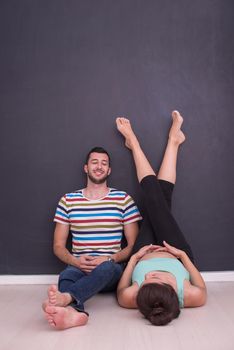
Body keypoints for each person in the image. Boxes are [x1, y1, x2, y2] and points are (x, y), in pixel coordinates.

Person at [116, 111, 207, 326]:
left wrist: (136, 257)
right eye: (159, 279)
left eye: (146, 281)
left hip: (144, 249)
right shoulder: (192, 296)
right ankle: (140, 144)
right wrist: (181, 256)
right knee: (158, 201)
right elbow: (202, 288)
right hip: (174, 249)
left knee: (159, 200)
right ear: (173, 291)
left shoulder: (132, 298)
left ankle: (167, 142)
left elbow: (121, 290)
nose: (150, 275)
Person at [43, 146, 141, 329]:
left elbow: (134, 245)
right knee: (66, 276)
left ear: (109, 170)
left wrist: (110, 258)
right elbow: (58, 245)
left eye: (104, 163)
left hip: (111, 268)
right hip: (80, 266)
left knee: (107, 269)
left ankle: (65, 299)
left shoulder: (123, 199)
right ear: (86, 168)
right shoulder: (68, 201)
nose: (99, 166)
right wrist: (76, 261)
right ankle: (74, 313)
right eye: (94, 162)